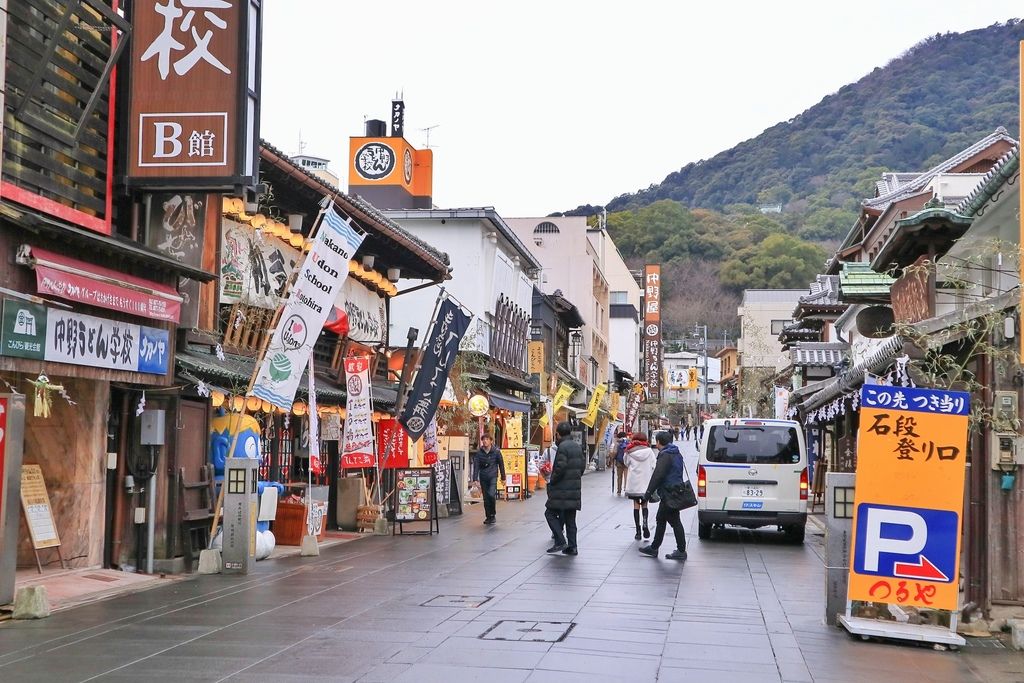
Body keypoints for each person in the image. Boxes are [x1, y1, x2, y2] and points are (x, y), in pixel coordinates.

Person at [639, 431, 689, 560]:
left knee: (675, 521)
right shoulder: (676, 453)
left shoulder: (665, 455)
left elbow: (658, 475)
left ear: (659, 442)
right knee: (661, 519)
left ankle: (681, 550)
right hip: (675, 491)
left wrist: (648, 493)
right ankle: (654, 547)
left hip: (669, 492)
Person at [545, 421, 585, 555]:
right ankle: (573, 546)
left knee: (549, 513)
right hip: (574, 488)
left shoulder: (562, 447)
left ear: (558, 434)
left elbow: (560, 467)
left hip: (562, 489)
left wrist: (553, 480)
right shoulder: (577, 446)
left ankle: (560, 540)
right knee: (570, 518)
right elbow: (582, 467)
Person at [622, 432, 656, 540]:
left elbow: (626, 463)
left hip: (634, 483)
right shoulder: (649, 451)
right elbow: (654, 465)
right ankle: (645, 524)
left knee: (636, 505)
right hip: (646, 482)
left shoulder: (629, 451)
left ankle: (638, 531)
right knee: (645, 505)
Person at [470, 433, 506, 525]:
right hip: (483, 477)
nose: (485, 441)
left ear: (491, 441)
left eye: (487, 439)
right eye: (483, 439)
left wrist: (503, 477)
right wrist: (475, 479)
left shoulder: (496, 451)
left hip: (493, 476)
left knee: (491, 494)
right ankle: (488, 516)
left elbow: (501, 464)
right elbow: (476, 466)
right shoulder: (479, 453)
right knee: (486, 498)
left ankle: (493, 514)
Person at [612, 431, 629, 495]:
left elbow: (615, 452)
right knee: (626, 476)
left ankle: (619, 490)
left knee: (619, 477)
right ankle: (626, 489)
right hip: (626, 461)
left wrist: (613, 457)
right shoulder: (628, 442)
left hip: (619, 462)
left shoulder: (617, 443)